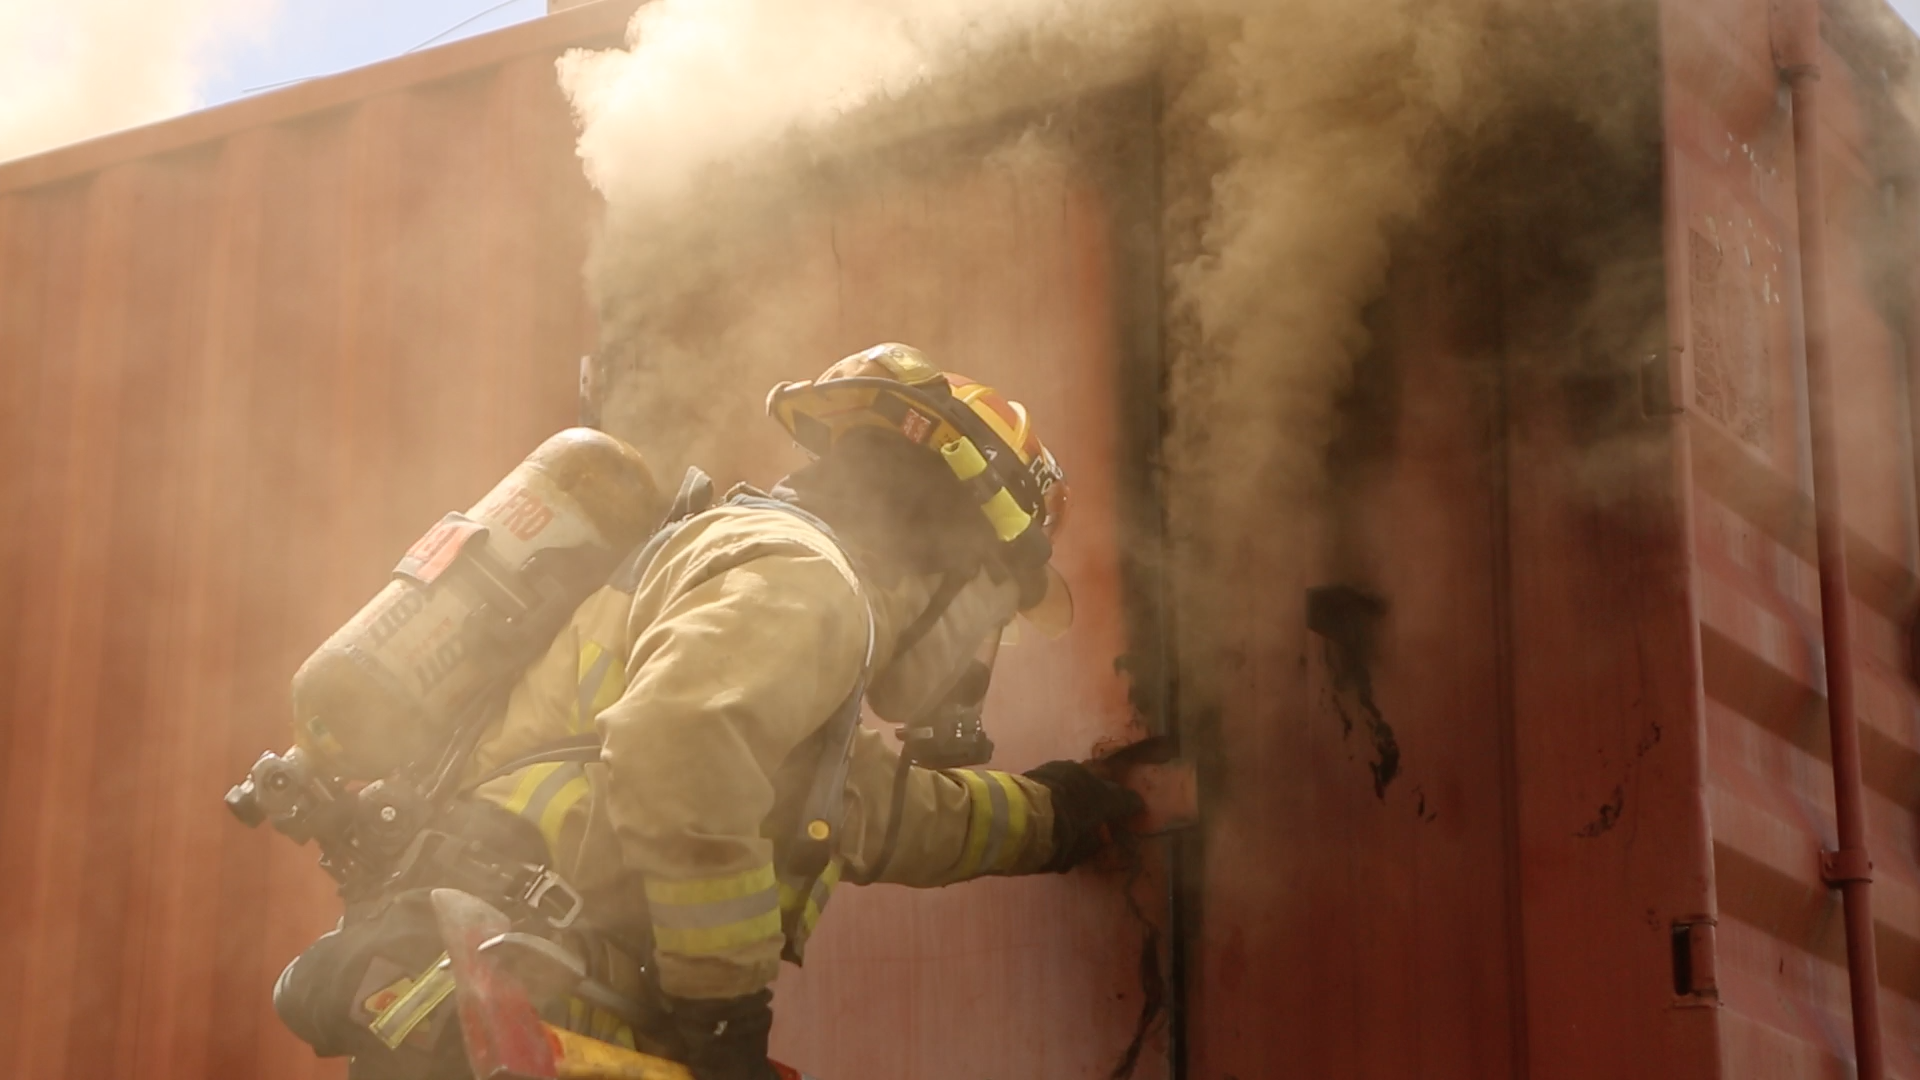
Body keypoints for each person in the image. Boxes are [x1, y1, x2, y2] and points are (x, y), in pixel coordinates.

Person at [272, 343, 1145, 1080]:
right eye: (993, 612)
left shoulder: (765, 574)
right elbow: (680, 742)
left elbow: (864, 812)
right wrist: (724, 1010)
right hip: (535, 1003)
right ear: (963, 557)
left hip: (505, 996)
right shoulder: (808, 579)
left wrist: (1057, 815)